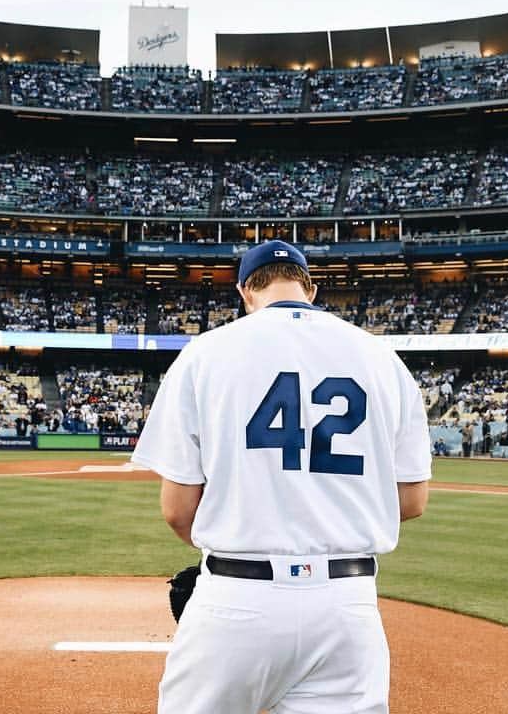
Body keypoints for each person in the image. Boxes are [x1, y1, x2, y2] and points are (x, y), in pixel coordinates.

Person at [132, 240, 431, 714]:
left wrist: (247, 536)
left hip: (238, 594)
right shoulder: (382, 358)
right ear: (310, 288)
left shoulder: (205, 353)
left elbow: (176, 510)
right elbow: (412, 501)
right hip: (347, 604)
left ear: (245, 292)